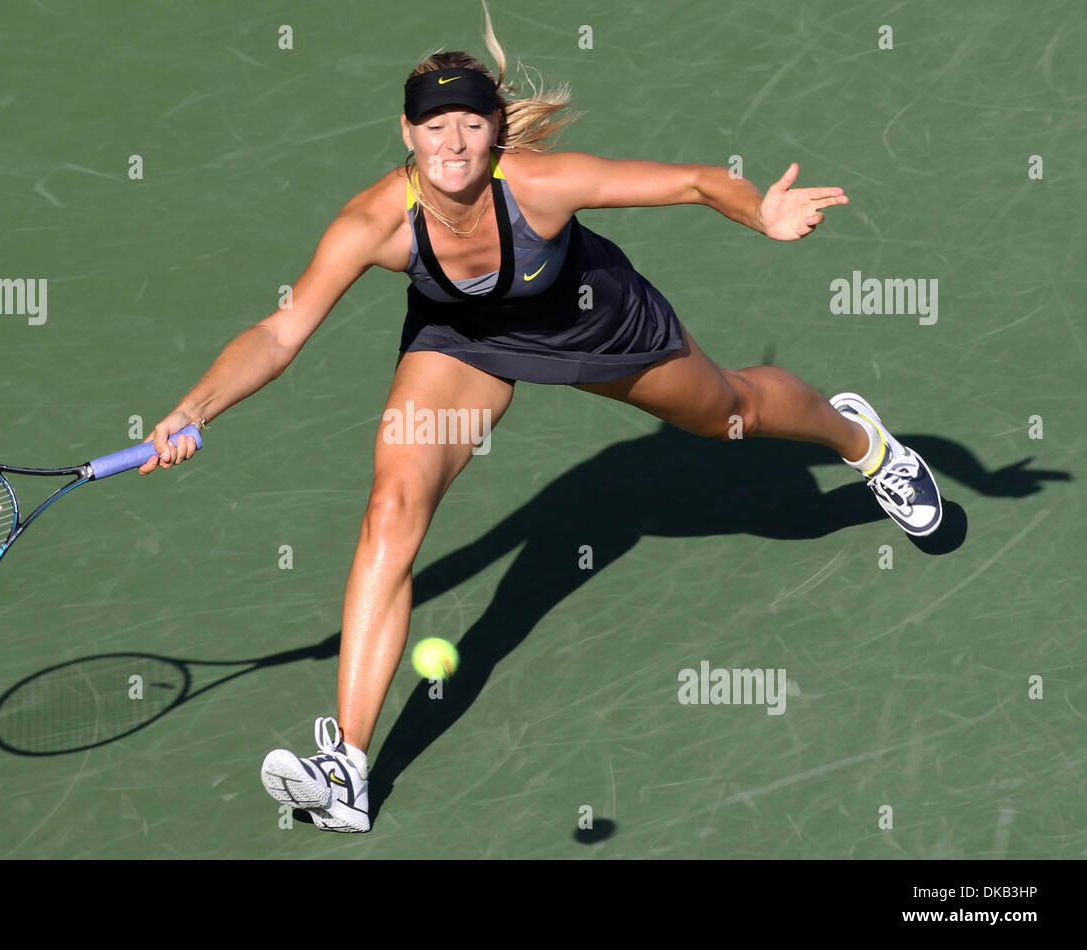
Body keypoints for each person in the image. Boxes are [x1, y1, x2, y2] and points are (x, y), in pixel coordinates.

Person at [137, 19, 942, 833]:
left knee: (732, 412)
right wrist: (192, 409)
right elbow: (280, 332)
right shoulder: (373, 221)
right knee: (392, 509)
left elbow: (697, 181)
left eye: (472, 123)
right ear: (407, 131)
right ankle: (346, 764)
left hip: (594, 323)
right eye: (435, 125)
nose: (453, 141)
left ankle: (863, 442)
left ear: (494, 133)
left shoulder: (541, 183)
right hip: (464, 343)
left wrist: (758, 210)